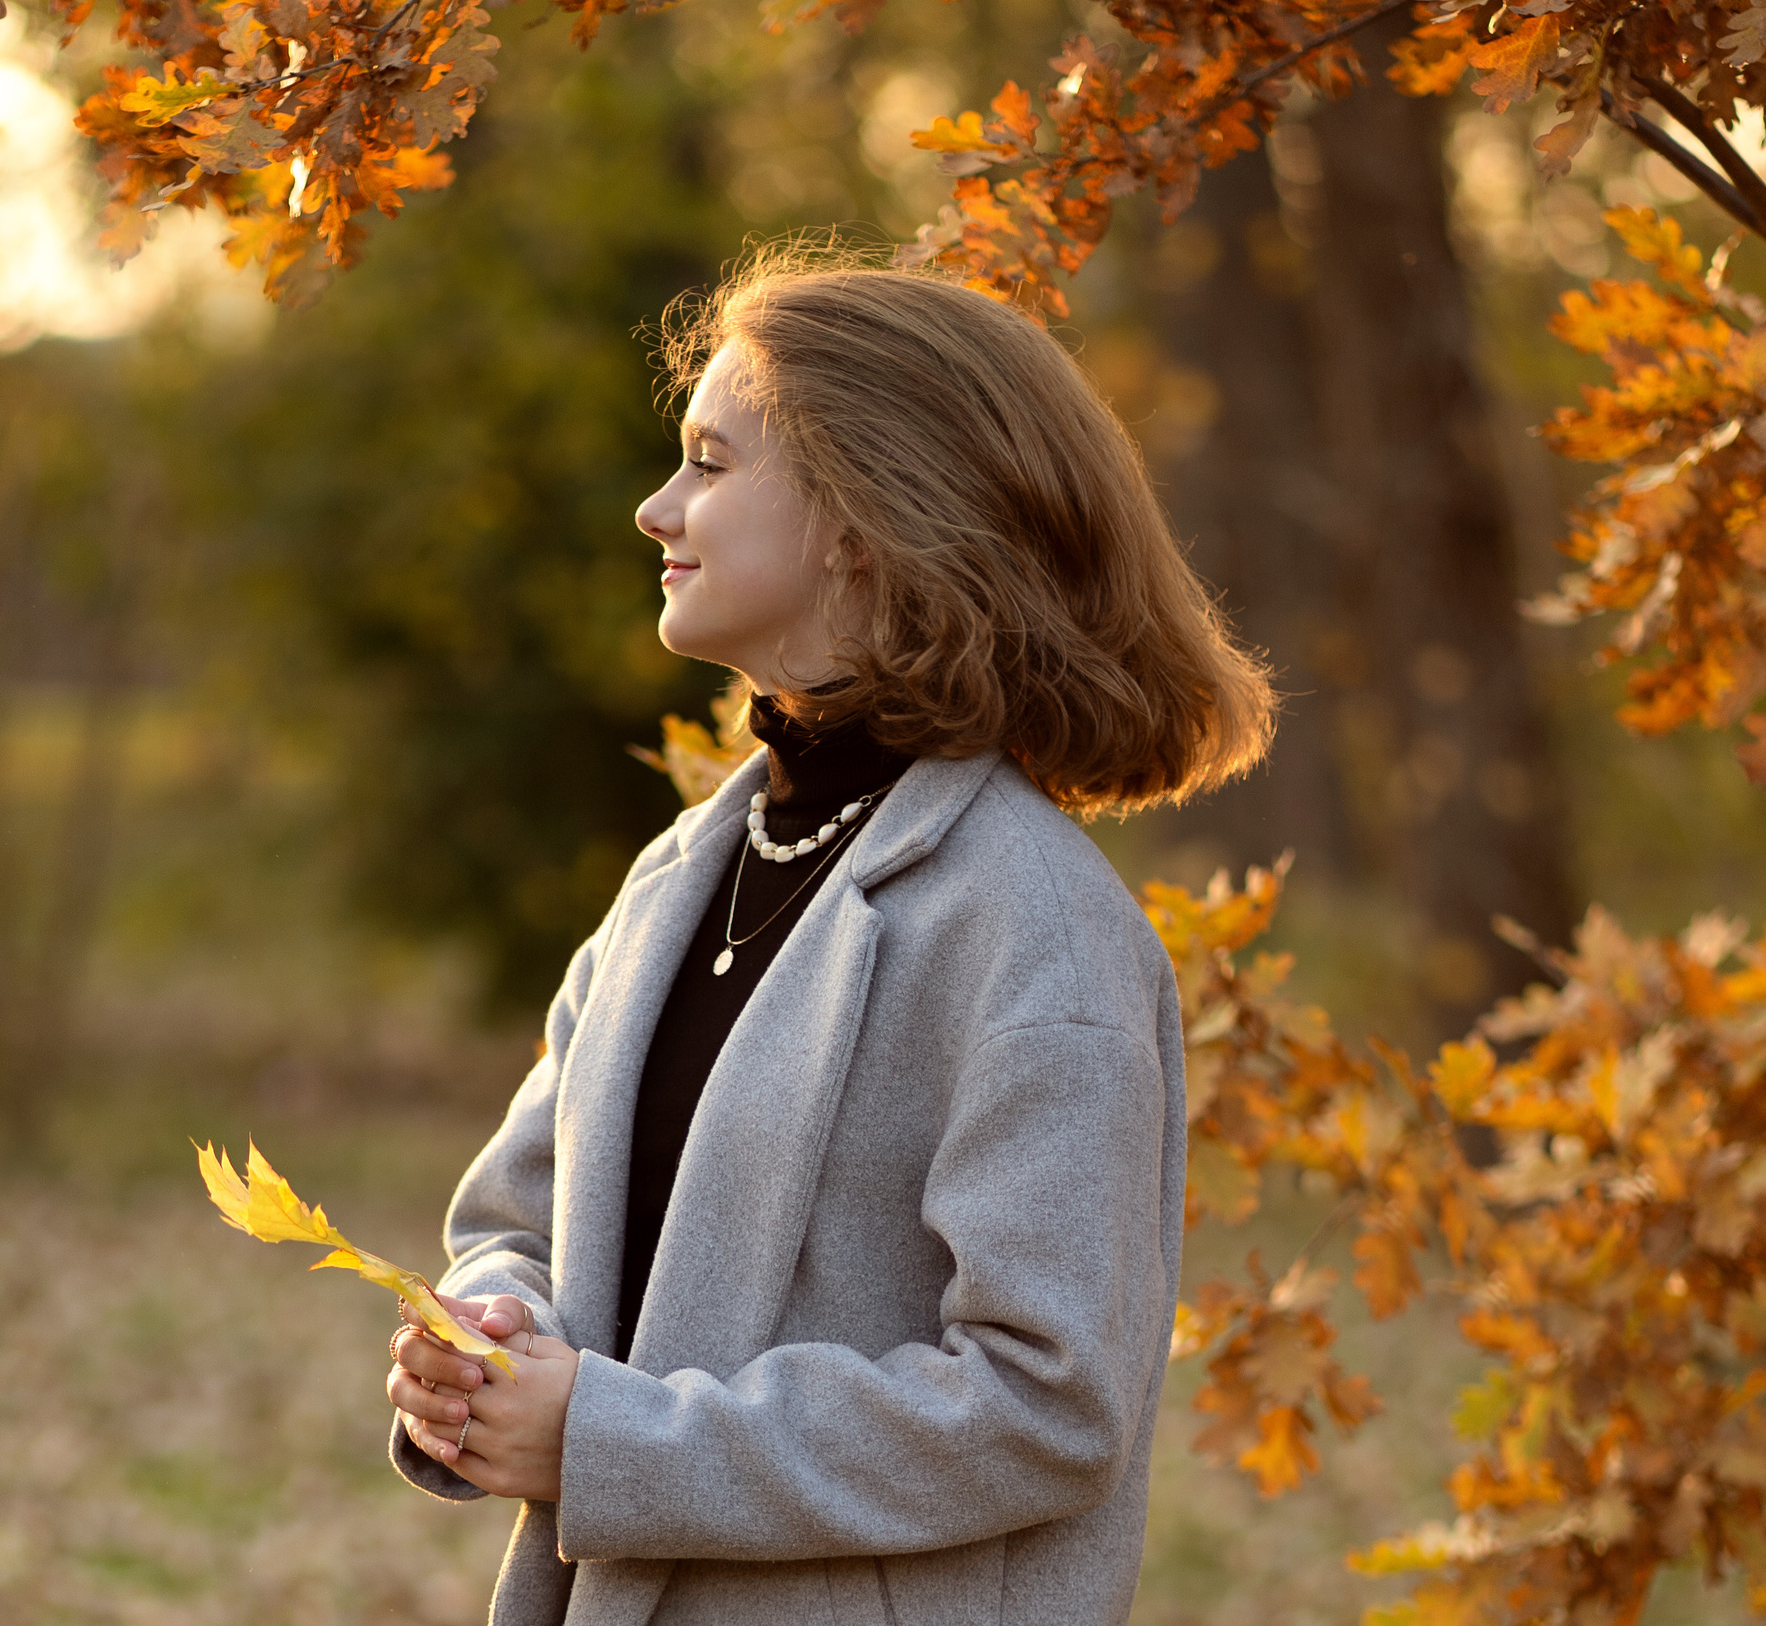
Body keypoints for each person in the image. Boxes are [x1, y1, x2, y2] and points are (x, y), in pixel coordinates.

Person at [381, 251, 1273, 1626]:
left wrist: (611, 1445)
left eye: (709, 464)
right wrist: (490, 1335)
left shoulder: (1037, 928)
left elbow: (1048, 1402)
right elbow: (514, 1222)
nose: (654, 506)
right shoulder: (681, 875)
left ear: (862, 519)